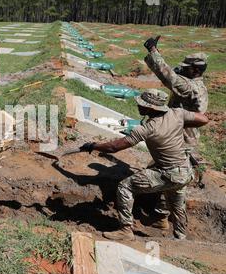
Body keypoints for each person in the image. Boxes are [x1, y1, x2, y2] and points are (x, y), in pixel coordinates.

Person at [78, 89, 209, 241]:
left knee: (125, 187)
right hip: (186, 171)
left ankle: (125, 229)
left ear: (151, 108)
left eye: (141, 104)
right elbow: (204, 119)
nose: (138, 106)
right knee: (177, 205)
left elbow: (113, 147)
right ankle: (179, 237)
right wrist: (181, 124)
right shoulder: (177, 114)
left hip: (169, 173)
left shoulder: (147, 129)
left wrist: (93, 145)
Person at [143, 36, 209, 228]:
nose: (182, 69)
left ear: (195, 70)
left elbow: (168, 76)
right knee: (168, 171)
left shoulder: (189, 87)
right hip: (184, 137)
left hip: (180, 138)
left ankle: (160, 216)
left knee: (169, 174)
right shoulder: (195, 84)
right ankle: (167, 215)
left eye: (187, 68)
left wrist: (153, 51)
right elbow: (174, 75)